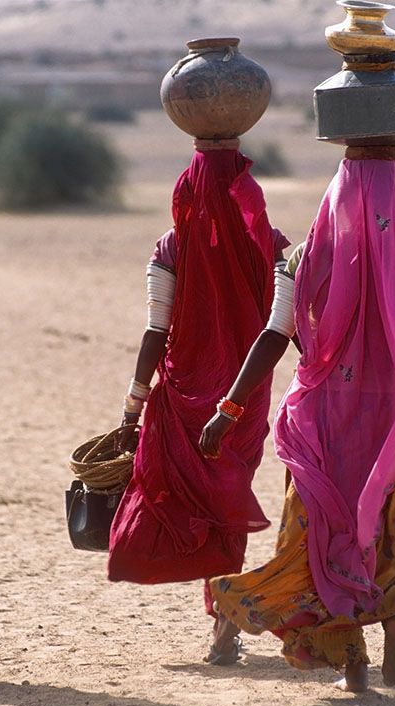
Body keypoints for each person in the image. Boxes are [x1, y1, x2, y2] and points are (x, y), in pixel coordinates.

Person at [199, 147, 395, 691]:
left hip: (321, 423)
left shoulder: (308, 258)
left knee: (316, 533)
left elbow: (275, 336)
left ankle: (350, 657)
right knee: (385, 527)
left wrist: (230, 406)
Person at [108, 146, 290, 664]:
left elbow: (154, 331)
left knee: (188, 502)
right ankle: (224, 623)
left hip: (183, 397)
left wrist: (131, 410)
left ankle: (222, 616)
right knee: (227, 505)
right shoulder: (273, 246)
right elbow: (289, 325)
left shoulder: (170, 246)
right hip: (244, 397)